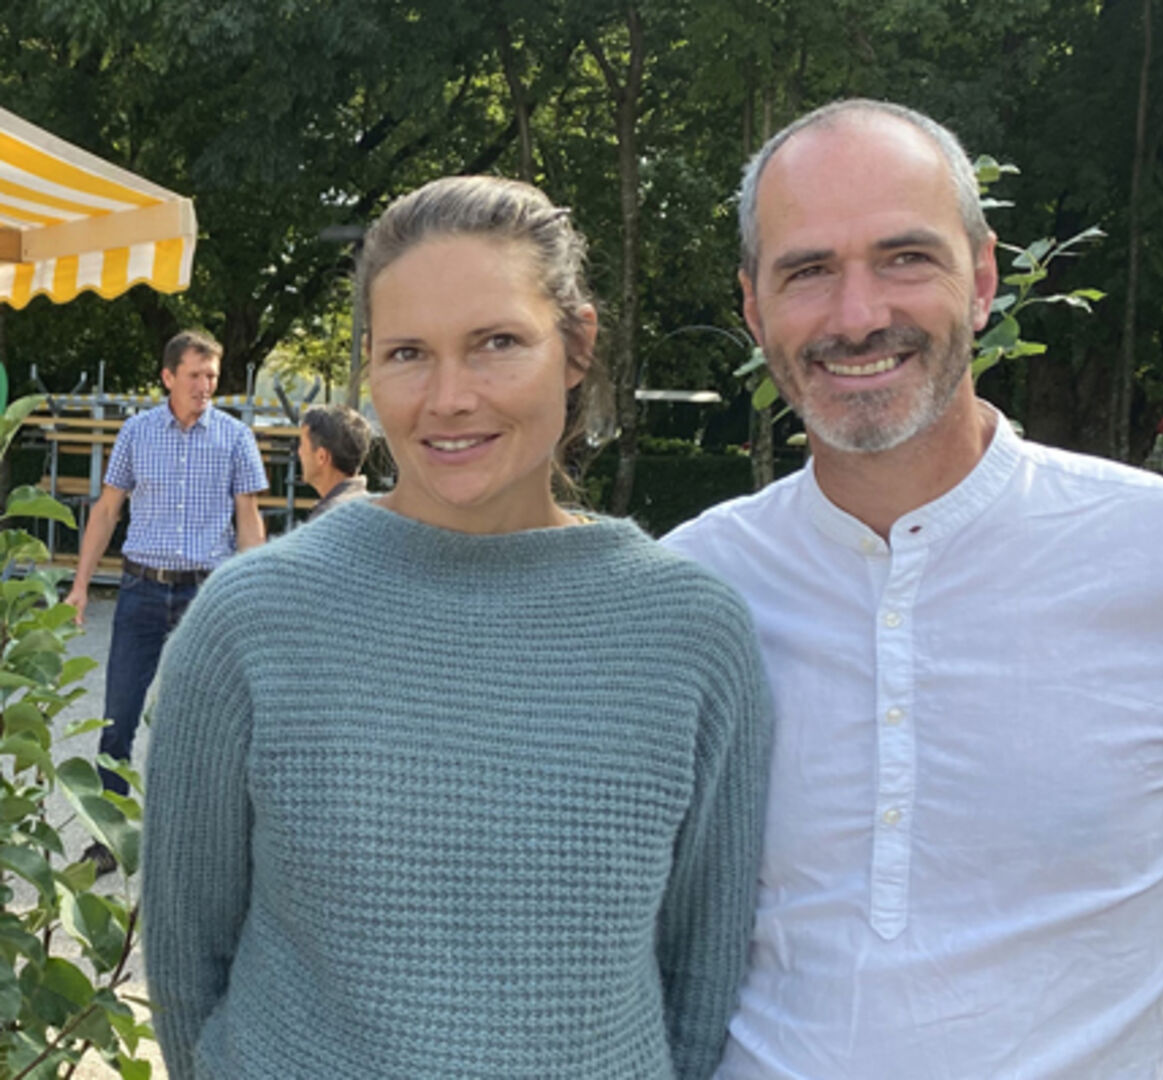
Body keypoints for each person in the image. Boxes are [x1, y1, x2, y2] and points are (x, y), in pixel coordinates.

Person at [662, 99, 1163, 1079]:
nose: (857, 316)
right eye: (807, 270)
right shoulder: (694, 588)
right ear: (753, 307)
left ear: (982, 278)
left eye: (905, 258)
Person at [142, 176, 770, 1080]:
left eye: (496, 343)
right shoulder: (250, 623)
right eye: (407, 353)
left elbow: (701, 976)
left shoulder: (692, 635)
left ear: (577, 344)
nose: (448, 398)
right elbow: (186, 962)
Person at [65, 329, 267, 875]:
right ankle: (108, 840)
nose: (205, 386)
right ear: (168, 377)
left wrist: (257, 596)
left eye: (212, 376)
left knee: (206, 724)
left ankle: (198, 844)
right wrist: (80, 585)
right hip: (140, 592)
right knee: (118, 718)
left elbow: (248, 522)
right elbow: (106, 511)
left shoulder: (235, 438)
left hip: (205, 596)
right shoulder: (136, 433)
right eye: (195, 375)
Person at [297, 402, 371, 516]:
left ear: (322, 457)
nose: (299, 452)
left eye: (302, 444)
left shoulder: (331, 517)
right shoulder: (372, 508)